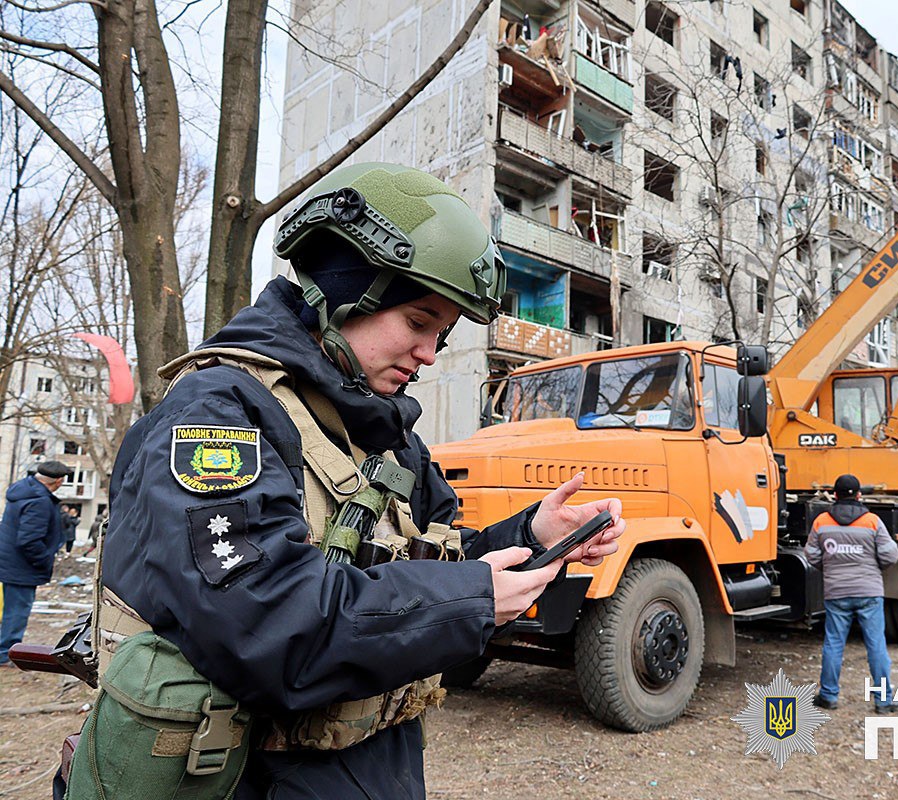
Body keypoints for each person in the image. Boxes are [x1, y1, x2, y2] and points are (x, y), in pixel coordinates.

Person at [75, 163, 625, 799]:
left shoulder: (385, 435)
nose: (430, 354)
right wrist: (469, 598)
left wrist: (532, 535)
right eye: (418, 322)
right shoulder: (219, 415)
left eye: (442, 335)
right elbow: (261, 620)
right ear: (344, 294)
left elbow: (425, 562)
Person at [805, 474, 898, 713]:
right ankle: (884, 700)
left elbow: (812, 554)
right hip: (869, 591)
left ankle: (828, 696)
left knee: (834, 643)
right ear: (859, 495)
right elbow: (890, 556)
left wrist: (832, 568)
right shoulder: (872, 521)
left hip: (837, 592)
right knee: (876, 644)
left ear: (835, 495)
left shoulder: (821, 521)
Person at [0, 460, 69, 665]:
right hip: (22, 566)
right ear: (58, 481)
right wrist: (44, 560)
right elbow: (29, 540)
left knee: (10, 608)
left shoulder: (23, 492)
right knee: (17, 610)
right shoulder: (39, 500)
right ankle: (5, 653)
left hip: (10, 561)